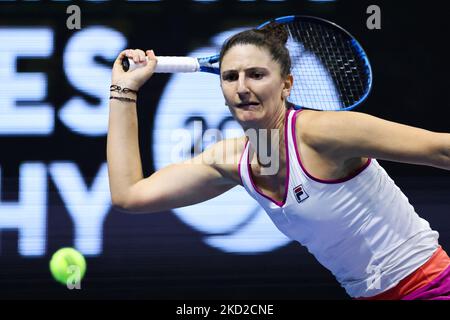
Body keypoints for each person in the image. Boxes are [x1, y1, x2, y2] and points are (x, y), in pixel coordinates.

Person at [107, 23, 450, 299]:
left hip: (430, 286)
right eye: (230, 77)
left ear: (287, 85)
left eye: (256, 75)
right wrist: (124, 91)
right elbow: (130, 195)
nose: (242, 87)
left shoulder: (322, 133)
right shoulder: (233, 159)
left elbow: (440, 150)